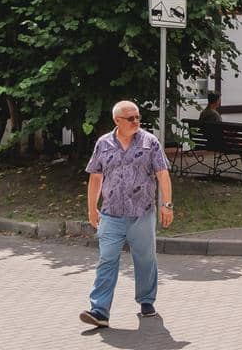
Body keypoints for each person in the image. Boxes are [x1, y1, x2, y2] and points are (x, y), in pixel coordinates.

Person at [80, 100, 173, 328]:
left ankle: (146, 301)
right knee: (107, 260)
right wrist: (92, 208)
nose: (135, 122)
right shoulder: (103, 144)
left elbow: (162, 174)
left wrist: (167, 204)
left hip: (142, 213)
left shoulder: (149, 142)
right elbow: (95, 178)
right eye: (130, 118)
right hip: (111, 214)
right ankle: (99, 310)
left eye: (137, 117)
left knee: (145, 259)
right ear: (117, 121)